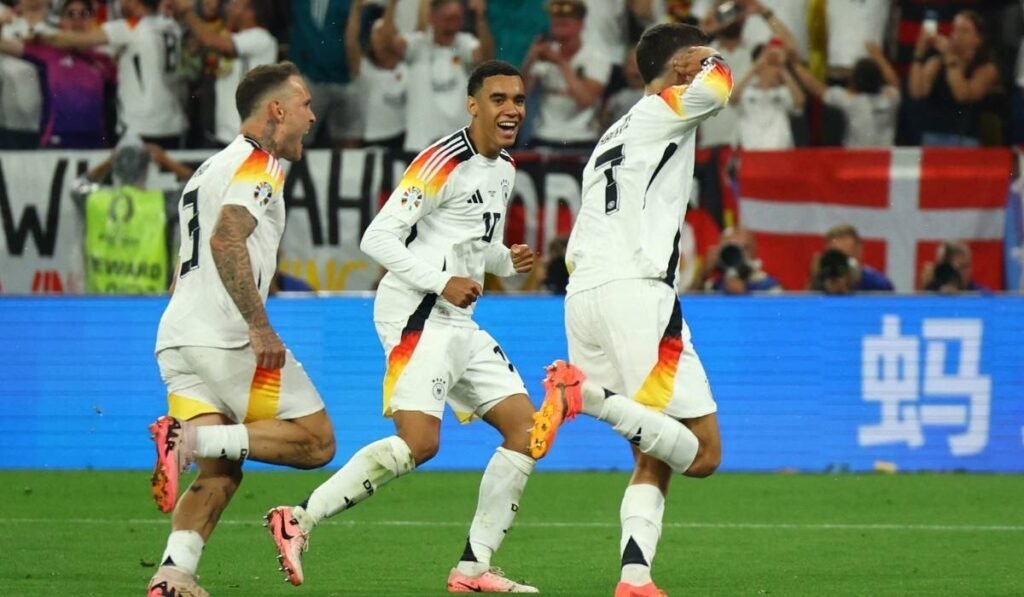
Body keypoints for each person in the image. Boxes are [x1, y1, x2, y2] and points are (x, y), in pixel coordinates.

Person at [263, 60, 550, 594]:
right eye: (498, 99)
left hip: (457, 316)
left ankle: (473, 569)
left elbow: (474, 244)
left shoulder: (505, 168)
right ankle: (298, 519)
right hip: (416, 311)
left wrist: (507, 261)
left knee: (526, 431)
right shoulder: (442, 161)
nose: (511, 109)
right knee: (420, 442)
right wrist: (442, 282)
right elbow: (377, 238)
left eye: (518, 99)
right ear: (473, 105)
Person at [537, 23, 732, 597]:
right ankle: (587, 397)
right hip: (636, 291)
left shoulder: (611, 134)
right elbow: (721, 85)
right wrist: (711, 56)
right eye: (693, 61)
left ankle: (635, 578)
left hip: (585, 295)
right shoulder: (664, 109)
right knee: (704, 453)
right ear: (680, 68)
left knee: (654, 451)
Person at [145, 62, 337, 597]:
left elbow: (186, 259)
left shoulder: (208, 169)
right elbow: (226, 239)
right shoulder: (261, 161)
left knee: (221, 471)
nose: (311, 117)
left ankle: (172, 575)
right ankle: (185, 441)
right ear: (277, 110)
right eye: (304, 105)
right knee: (317, 442)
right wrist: (260, 327)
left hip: (179, 336)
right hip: (224, 335)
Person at [41, 0, 187, 148]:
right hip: (173, 123)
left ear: (134, 3)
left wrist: (39, 32)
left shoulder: (132, 26)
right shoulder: (171, 26)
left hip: (141, 124)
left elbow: (79, 40)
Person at [0, 0, 116, 148]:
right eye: (71, 15)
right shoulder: (46, 51)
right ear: (61, 22)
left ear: (92, 21)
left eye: (84, 15)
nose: (77, 21)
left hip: (96, 141)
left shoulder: (105, 60)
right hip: (56, 139)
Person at [382, 0, 494, 153]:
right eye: (448, 19)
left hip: (460, 148)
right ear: (432, 18)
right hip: (420, 147)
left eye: (457, 19)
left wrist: (480, 18)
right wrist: (392, 5)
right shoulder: (418, 44)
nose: (453, 25)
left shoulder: (465, 43)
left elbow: (485, 57)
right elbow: (388, 44)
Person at [172, 0, 278, 147]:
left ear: (250, 12)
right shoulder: (232, 36)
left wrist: (187, 12)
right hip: (225, 134)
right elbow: (195, 48)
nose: (228, 8)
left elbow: (211, 41)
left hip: (245, 138)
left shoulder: (262, 38)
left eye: (235, 5)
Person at [523, 0, 612, 150]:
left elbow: (586, 99)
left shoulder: (597, 57)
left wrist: (561, 63)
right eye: (556, 20)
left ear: (581, 25)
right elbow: (521, 94)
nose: (559, 24)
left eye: (565, 21)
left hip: (582, 138)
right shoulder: (544, 53)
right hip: (544, 136)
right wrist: (530, 60)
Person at [909, 10, 999, 147]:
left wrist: (950, 57)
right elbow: (917, 92)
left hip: (965, 139)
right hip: (933, 136)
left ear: (978, 39)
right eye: (955, 30)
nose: (957, 35)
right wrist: (918, 54)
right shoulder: (937, 63)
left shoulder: (987, 69)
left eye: (964, 31)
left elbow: (962, 94)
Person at [792, 41, 900, 147]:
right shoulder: (890, 99)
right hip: (886, 156)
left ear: (854, 82)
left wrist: (795, 64)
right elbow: (894, 83)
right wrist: (878, 56)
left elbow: (817, 88)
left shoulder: (851, 102)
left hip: (857, 157)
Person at [345, 0, 407, 150]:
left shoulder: (407, 68)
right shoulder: (364, 69)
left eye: (387, 35)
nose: (383, 39)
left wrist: (392, 5)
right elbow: (351, 43)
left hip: (403, 139)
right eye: (378, 34)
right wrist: (356, 8)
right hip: (373, 140)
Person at [731, 40, 803, 149]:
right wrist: (755, 68)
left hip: (779, 154)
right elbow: (732, 99)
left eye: (776, 65)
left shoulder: (784, 92)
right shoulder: (746, 92)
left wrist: (783, 68)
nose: (776, 70)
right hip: (750, 154)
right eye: (771, 65)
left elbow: (800, 102)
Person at [824, 224, 894, 291]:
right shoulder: (821, 286)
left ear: (859, 252)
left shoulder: (879, 286)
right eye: (835, 257)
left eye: (846, 257)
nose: (841, 264)